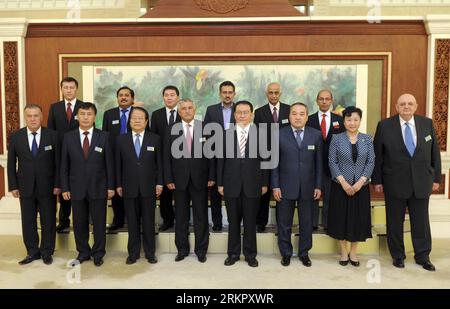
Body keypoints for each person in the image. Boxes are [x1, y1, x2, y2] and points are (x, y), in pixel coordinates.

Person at [372, 93, 441, 271]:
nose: (406, 107)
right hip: (394, 181)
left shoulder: (427, 124)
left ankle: (423, 256)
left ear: (416, 106)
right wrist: (377, 180)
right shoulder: (385, 126)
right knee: (394, 221)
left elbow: (435, 153)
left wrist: (436, 178)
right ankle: (398, 256)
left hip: (421, 181)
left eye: (410, 103)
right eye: (402, 104)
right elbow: (378, 156)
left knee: (421, 222)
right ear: (396, 106)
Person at [60, 102, 115, 267]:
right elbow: (64, 165)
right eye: (82, 114)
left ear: (94, 117)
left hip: (99, 187)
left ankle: (98, 253)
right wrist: (65, 187)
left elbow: (109, 164)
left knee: (99, 223)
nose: (85, 117)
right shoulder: (68, 137)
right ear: (77, 116)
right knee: (79, 223)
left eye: (89, 114)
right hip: (76, 188)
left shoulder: (104, 136)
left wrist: (111, 186)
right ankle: (83, 252)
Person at [217, 101, 269, 267]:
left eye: (245, 112)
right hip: (230, 185)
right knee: (233, 223)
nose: (242, 115)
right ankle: (232, 254)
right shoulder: (225, 134)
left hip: (253, 185)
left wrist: (264, 183)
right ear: (234, 115)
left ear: (252, 115)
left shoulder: (261, 134)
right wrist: (220, 183)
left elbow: (265, 161)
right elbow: (220, 161)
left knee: (250, 222)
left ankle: (250, 255)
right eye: (239, 112)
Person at [7, 104, 60, 265]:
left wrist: (58, 184)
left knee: (48, 220)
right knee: (28, 220)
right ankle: (32, 252)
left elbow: (58, 163)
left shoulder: (53, 135)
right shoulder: (16, 136)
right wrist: (13, 186)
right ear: (25, 117)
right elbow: (11, 164)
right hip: (25, 187)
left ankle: (46, 252)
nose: (32, 119)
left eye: (36, 115)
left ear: (41, 117)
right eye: (29, 116)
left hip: (48, 186)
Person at [164, 99, 215, 263]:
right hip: (178, 181)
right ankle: (182, 250)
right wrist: (168, 178)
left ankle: (201, 250)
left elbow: (211, 155)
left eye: (190, 108)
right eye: (183, 109)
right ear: (179, 112)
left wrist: (212, 176)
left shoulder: (205, 128)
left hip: (200, 180)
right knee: (181, 217)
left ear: (195, 109)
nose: (187, 111)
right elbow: (166, 157)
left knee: (201, 217)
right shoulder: (171, 129)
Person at [271, 103, 322, 267]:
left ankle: (304, 253)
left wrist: (318, 185)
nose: (298, 117)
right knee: (284, 222)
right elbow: (274, 163)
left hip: (308, 187)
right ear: (289, 116)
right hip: (284, 187)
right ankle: (285, 253)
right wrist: (275, 186)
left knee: (306, 222)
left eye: (302, 114)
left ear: (307, 117)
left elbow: (319, 164)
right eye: (294, 114)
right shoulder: (278, 134)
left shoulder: (316, 135)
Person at [327, 106, 375, 267]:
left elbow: (371, 162)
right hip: (340, 186)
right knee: (340, 218)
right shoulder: (336, 138)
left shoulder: (367, 139)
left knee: (358, 220)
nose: (352, 123)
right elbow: (332, 162)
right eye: (349, 119)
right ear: (344, 121)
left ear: (360, 121)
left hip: (361, 187)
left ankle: (353, 252)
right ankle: (343, 252)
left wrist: (361, 182)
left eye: (355, 119)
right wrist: (344, 183)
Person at [115, 107, 162, 265]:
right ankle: (133, 253)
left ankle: (150, 253)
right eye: (134, 118)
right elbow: (118, 165)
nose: (136, 120)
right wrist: (118, 184)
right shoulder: (121, 139)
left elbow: (159, 164)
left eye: (140, 118)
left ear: (146, 121)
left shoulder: (154, 139)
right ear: (129, 121)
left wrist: (160, 183)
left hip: (149, 187)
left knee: (148, 222)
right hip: (128, 187)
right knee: (132, 223)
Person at [47, 77, 84, 233]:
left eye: (71, 87)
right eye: (66, 87)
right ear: (61, 89)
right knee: (63, 185)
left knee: (78, 185)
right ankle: (63, 220)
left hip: (79, 154)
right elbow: (50, 131)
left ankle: (81, 220)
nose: (69, 90)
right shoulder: (55, 108)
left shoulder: (84, 107)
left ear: (76, 89)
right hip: (60, 153)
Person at [254, 82, 290, 233]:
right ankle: (261, 222)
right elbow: (256, 135)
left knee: (284, 192)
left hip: (286, 157)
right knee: (264, 191)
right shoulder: (259, 112)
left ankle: (282, 224)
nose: (273, 95)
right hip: (266, 157)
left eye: (276, 92)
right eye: (271, 93)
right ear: (266, 94)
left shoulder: (289, 110)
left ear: (280, 93)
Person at [306, 90, 345, 230]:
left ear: (331, 101)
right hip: (312, 165)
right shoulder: (308, 120)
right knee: (312, 196)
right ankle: (312, 224)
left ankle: (328, 223)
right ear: (316, 101)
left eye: (327, 99)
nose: (324, 101)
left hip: (333, 166)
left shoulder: (339, 120)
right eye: (321, 99)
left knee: (330, 196)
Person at [203, 81, 236, 232]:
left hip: (235, 157)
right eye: (224, 92)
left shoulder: (241, 109)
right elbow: (206, 134)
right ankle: (217, 223)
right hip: (215, 156)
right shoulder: (211, 110)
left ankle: (234, 223)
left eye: (230, 92)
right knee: (216, 191)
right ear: (220, 93)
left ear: (234, 94)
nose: (227, 95)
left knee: (233, 192)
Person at [102, 86, 134, 233]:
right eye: (120, 95)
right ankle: (118, 220)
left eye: (127, 95)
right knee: (116, 188)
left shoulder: (139, 113)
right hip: (114, 157)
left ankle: (135, 220)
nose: (123, 97)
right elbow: (104, 137)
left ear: (132, 98)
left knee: (133, 189)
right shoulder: (109, 114)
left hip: (134, 157)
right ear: (117, 98)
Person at [150, 85, 181, 231]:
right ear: (163, 98)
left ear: (178, 97)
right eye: (166, 95)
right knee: (165, 193)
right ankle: (167, 220)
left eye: (172, 95)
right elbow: (153, 137)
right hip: (162, 159)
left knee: (182, 192)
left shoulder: (184, 112)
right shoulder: (156, 115)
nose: (169, 97)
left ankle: (182, 220)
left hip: (182, 159)